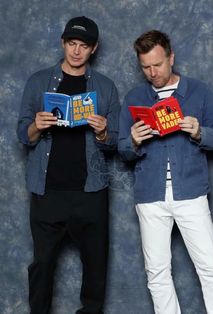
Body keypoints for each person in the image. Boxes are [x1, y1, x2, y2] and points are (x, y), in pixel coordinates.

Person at [118, 30, 213, 313]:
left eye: (158, 64)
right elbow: (122, 150)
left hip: (190, 192)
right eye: (145, 67)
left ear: (171, 58)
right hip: (150, 196)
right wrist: (132, 140)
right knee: (156, 273)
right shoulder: (134, 97)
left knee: (209, 267)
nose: (152, 72)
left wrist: (199, 131)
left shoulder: (198, 91)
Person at [17, 16, 120, 314]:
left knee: (96, 266)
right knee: (43, 265)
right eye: (71, 44)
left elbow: (116, 141)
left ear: (94, 49)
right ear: (63, 43)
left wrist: (102, 132)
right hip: (47, 191)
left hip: (91, 191)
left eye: (84, 46)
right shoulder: (38, 82)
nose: (76, 51)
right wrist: (36, 125)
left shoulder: (105, 87)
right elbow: (22, 134)